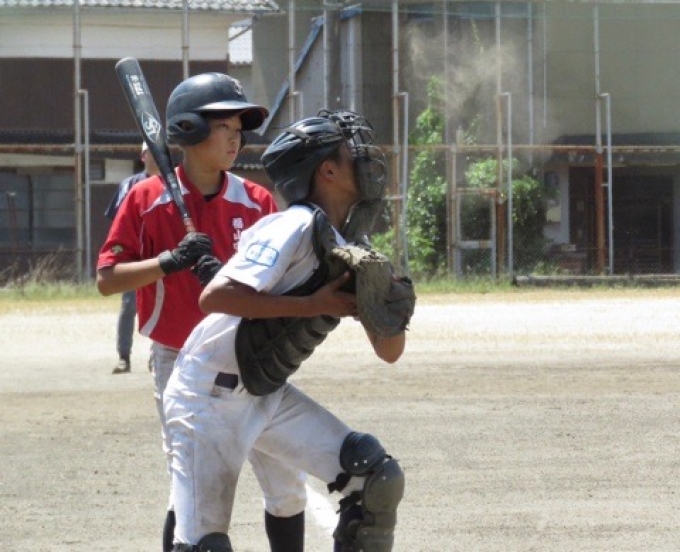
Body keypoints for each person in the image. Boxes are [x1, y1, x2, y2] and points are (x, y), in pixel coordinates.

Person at [164, 109, 407, 552]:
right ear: (327, 171)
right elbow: (216, 296)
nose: (367, 158)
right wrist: (313, 305)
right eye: (353, 150)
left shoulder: (353, 246)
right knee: (204, 545)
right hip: (207, 395)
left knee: (375, 478)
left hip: (265, 390)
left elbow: (389, 352)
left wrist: (389, 309)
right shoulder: (291, 225)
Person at [96, 72, 278, 552]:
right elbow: (107, 279)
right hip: (176, 358)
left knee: (279, 475)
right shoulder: (145, 198)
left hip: (244, 353)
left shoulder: (257, 201)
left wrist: (230, 278)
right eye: (224, 127)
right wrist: (169, 262)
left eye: (239, 128)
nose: (236, 138)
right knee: (189, 477)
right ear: (190, 130)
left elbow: (277, 283)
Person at [105, 142, 160, 375]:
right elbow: (116, 222)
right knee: (129, 305)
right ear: (143, 156)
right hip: (134, 257)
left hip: (162, 256)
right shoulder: (129, 185)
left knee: (162, 306)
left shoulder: (174, 182)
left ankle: (157, 355)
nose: (156, 156)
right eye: (151, 152)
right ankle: (124, 357)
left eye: (160, 151)